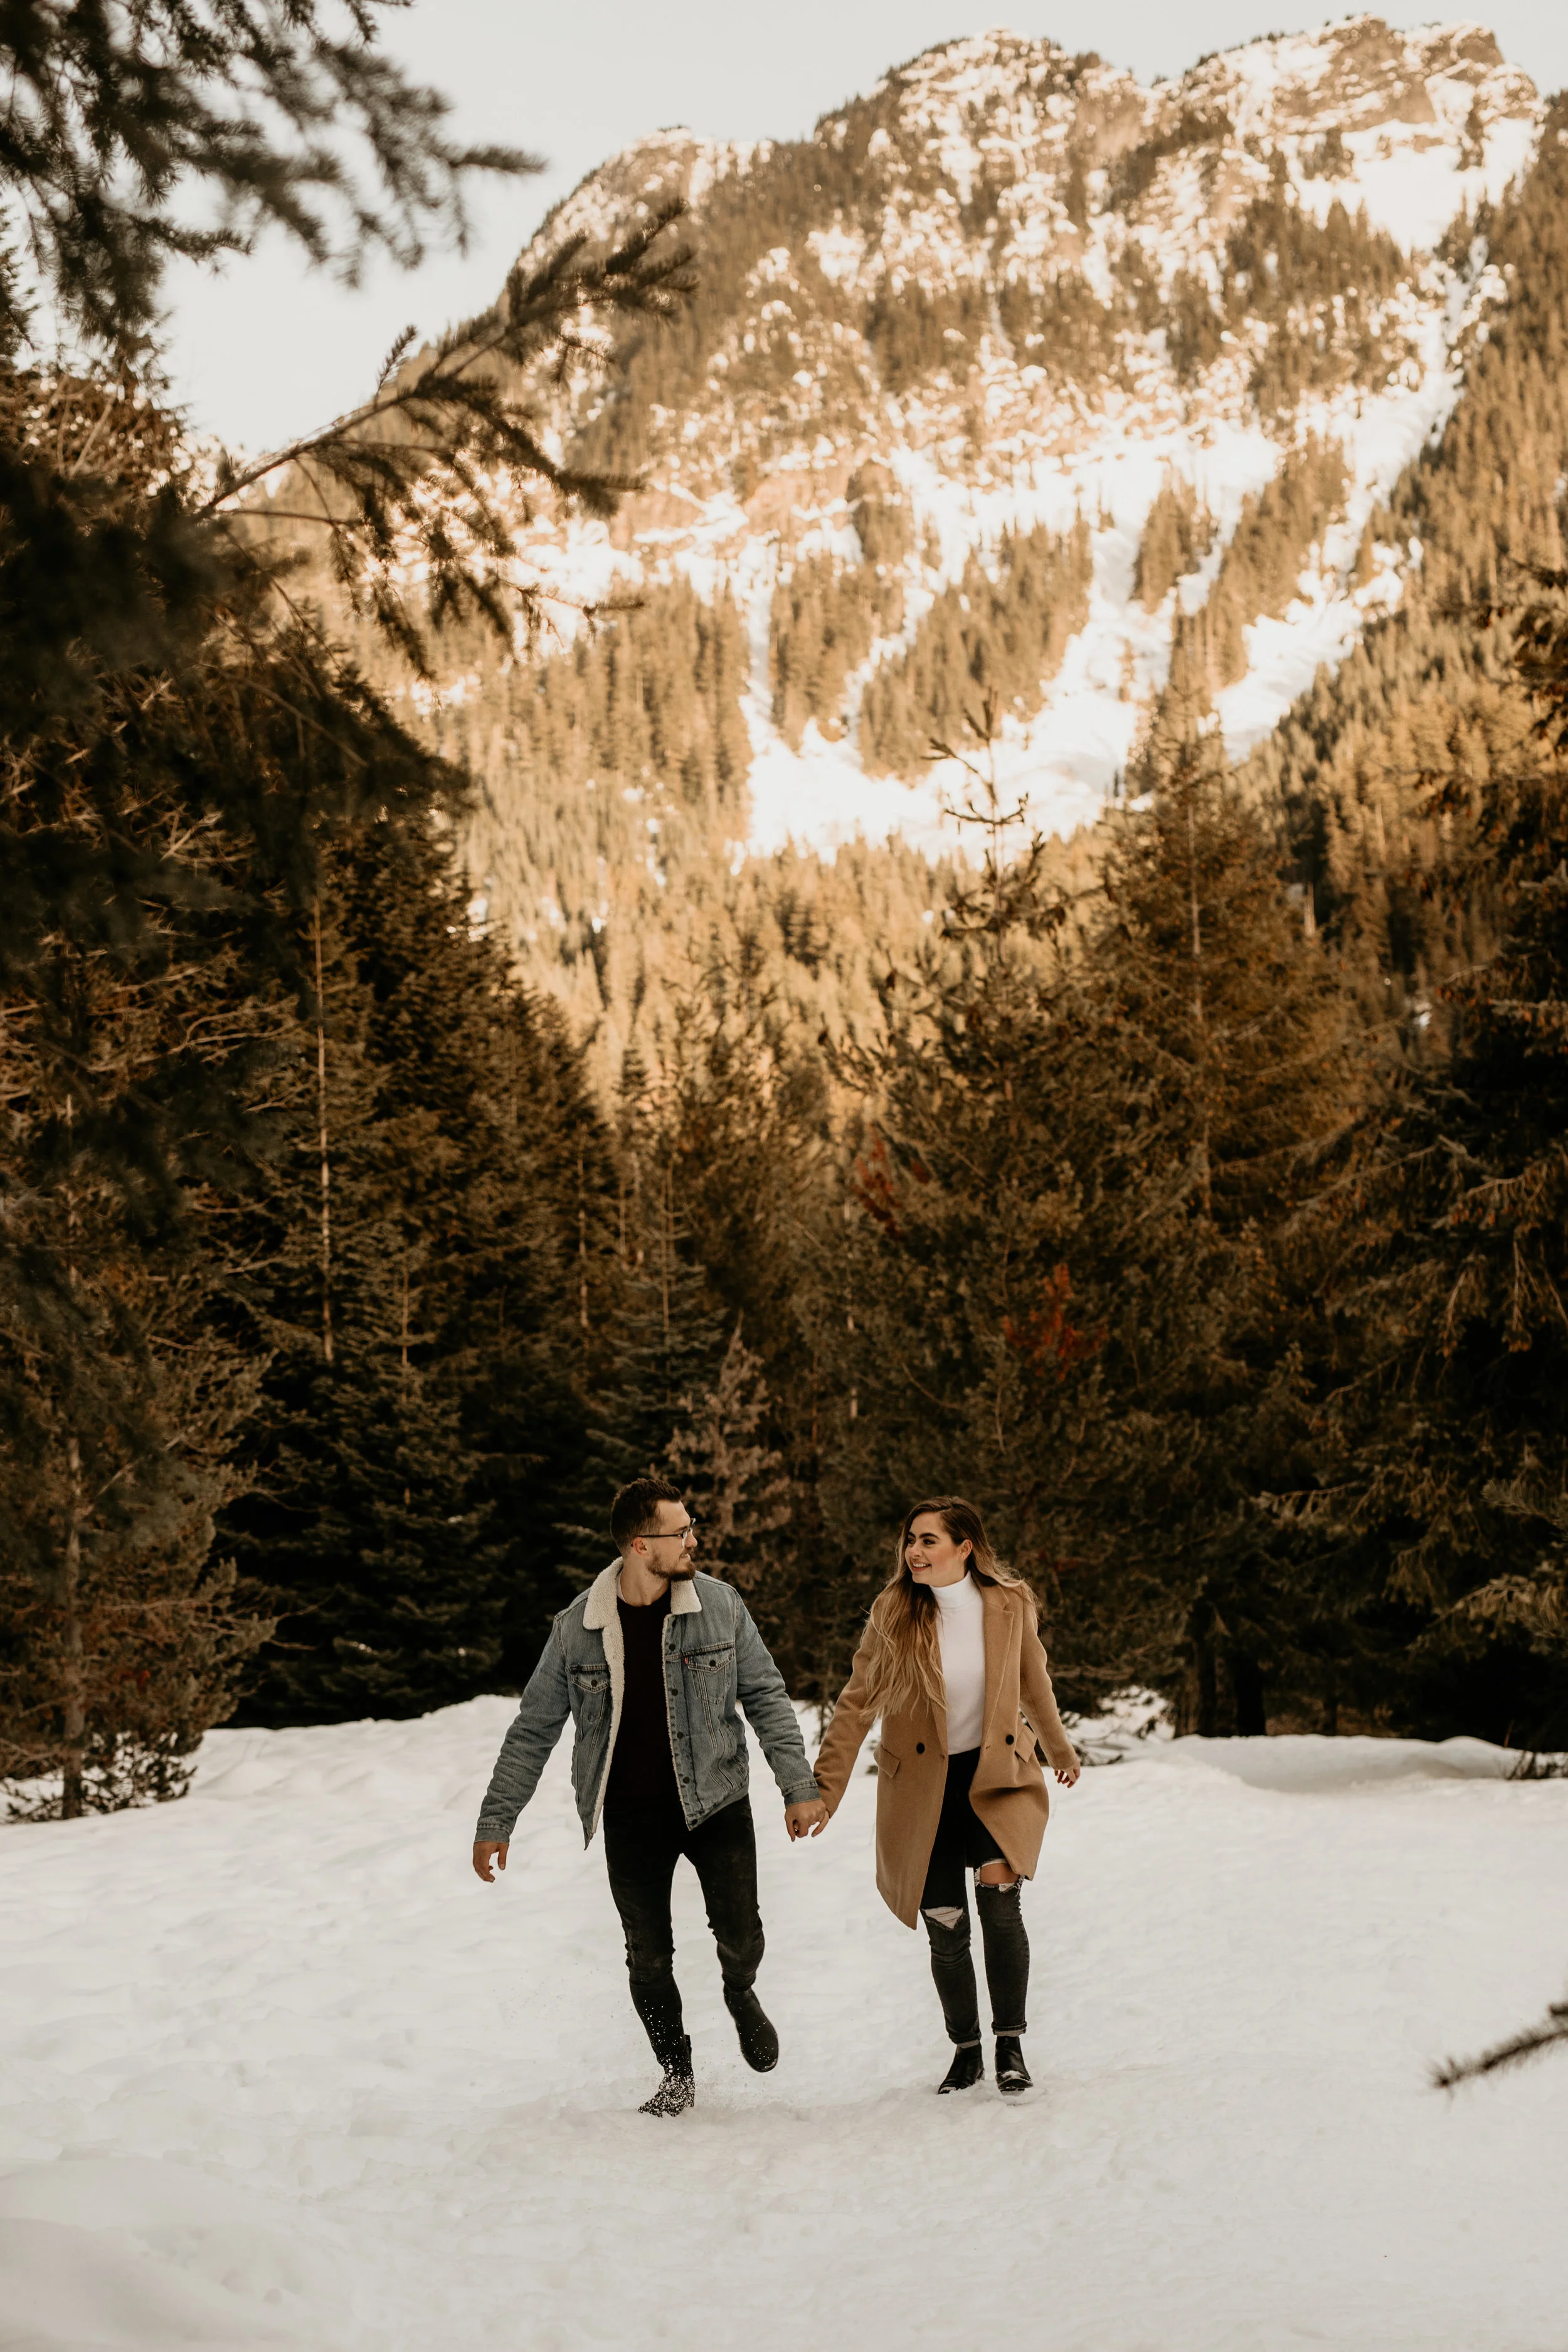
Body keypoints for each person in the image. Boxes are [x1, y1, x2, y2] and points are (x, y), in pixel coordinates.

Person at [472, 1475, 828, 2116]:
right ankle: (676, 2071)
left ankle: (739, 1990)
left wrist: (797, 1787)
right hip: (632, 1815)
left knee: (741, 1932)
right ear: (640, 1546)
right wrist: (497, 1820)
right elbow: (533, 1727)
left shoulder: (719, 1606)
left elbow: (767, 1697)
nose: (694, 1540)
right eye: (681, 1531)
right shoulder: (577, 1628)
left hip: (716, 1802)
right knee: (647, 1955)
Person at [812, 1495, 1080, 2096]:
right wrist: (824, 1790)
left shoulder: (1009, 1605)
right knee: (945, 1921)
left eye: (929, 1540)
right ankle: (966, 2051)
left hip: (996, 1777)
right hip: (923, 1788)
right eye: (911, 1539)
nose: (914, 1550)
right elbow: (856, 1704)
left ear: (966, 1547)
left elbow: (1035, 1683)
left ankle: (1010, 2044)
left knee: (1000, 1899)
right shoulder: (894, 1611)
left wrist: (1060, 1753)